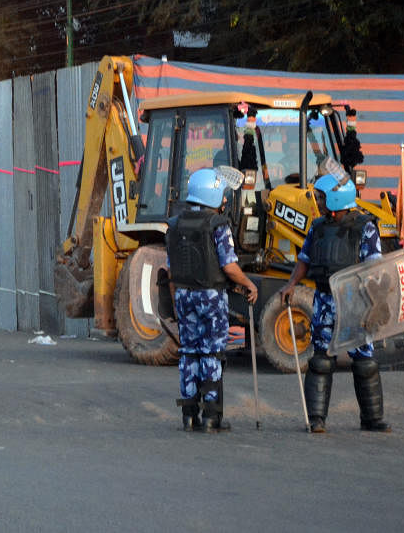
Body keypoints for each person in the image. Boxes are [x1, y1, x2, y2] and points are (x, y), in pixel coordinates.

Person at [279, 173, 390, 433]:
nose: (317, 201)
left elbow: (374, 268)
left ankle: (371, 419)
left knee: (364, 362)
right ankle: (316, 419)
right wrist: (291, 284)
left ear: (335, 199)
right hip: (325, 300)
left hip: (356, 304)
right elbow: (304, 259)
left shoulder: (366, 227)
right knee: (321, 361)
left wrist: (376, 304)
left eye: (321, 197)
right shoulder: (317, 227)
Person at [166, 168, 258, 432]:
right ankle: (211, 417)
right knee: (212, 354)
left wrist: (175, 301)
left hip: (184, 294)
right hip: (211, 297)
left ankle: (189, 416)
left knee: (189, 353)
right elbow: (229, 266)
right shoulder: (217, 225)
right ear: (214, 194)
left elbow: (171, 269)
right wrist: (248, 283)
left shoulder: (173, 225)